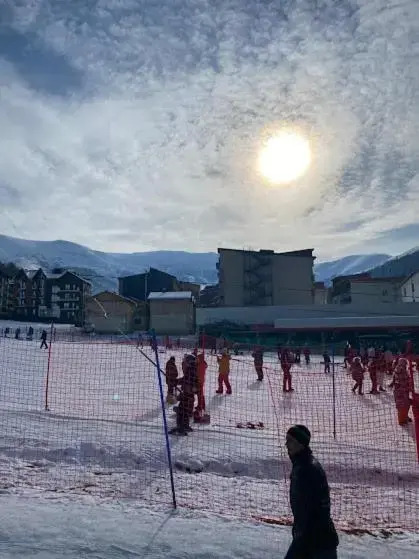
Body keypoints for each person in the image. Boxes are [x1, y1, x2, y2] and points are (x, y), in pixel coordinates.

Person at [284, 425, 339, 559]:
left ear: (301, 444)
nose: (286, 445)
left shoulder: (306, 469)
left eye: (290, 441)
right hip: (314, 538)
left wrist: (301, 537)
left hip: (316, 540)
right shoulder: (302, 465)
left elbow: (309, 508)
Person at [170, 354, 197, 435]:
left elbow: (186, 380)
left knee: (181, 411)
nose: (185, 362)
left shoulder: (190, 370)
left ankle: (180, 428)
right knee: (185, 411)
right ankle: (185, 426)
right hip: (189, 395)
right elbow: (186, 380)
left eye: (186, 361)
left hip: (187, 395)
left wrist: (176, 381)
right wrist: (176, 381)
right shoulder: (193, 369)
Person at [389, 358, 413, 426]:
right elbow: (402, 381)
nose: (406, 365)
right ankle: (402, 421)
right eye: (405, 363)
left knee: (406, 404)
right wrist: (408, 387)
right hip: (400, 390)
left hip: (403, 390)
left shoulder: (401, 369)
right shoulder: (400, 370)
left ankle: (405, 417)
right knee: (401, 405)